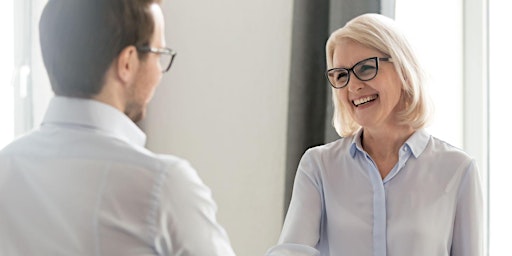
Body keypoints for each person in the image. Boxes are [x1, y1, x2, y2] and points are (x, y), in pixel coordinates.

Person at [0, 0, 236, 255]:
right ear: (128, 62)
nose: (159, 71)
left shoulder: (6, 166)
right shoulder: (163, 186)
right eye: (159, 54)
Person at [267, 13, 482, 256]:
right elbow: (292, 251)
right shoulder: (318, 166)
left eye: (366, 68)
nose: (352, 86)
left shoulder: (457, 170)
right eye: (341, 75)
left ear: (402, 69)